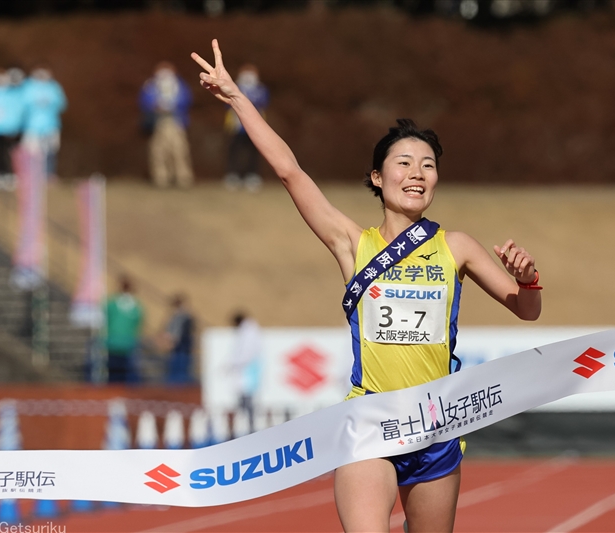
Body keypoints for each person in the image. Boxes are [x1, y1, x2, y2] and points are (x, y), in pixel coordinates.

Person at [192, 39, 542, 533]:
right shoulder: (352, 244)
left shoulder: (456, 246)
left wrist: (529, 282)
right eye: (403, 163)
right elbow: (290, 171)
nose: (417, 173)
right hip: (369, 420)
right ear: (377, 177)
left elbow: (526, 310)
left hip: (436, 426)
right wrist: (235, 97)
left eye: (428, 164)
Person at [139, 62, 194, 188]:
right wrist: (156, 106)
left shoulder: (179, 85)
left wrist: (173, 106)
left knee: (179, 150)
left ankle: (183, 178)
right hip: (158, 122)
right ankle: (161, 179)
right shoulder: (151, 85)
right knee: (158, 152)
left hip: (176, 121)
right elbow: (144, 101)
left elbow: (187, 99)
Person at [223, 64, 269, 192]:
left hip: (255, 126)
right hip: (236, 125)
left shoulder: (260, 89)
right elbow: (227, 103)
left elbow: (263, 102)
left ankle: (252, 176)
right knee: (234, 150)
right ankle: (233, 175)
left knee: (254, 152)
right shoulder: (234, 87)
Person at [21, 64, 67, 180]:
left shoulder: (54, 87)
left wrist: (49, 104)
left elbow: (62, 104)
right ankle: (31, 176)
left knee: (50, 151)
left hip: (51, 125)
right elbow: (21, 105)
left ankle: (49, 174)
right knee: (32, 152)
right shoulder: (27, 87)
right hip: (32, 126)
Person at [0, 67, 25, 190]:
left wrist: (14, 126)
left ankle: (10, 174)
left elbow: (16, 111)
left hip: (8, 130)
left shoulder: (12, 95)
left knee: (9, 153)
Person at [104, 275, 145, 383]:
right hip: (129, 343)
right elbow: (139, 323)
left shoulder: (112, 303)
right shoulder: (136, 306)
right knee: (128, 375)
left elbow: (104, 318)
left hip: (113, 342)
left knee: (113, 375)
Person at [228, 311, 263, 430]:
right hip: (247, 371)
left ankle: (251, 428)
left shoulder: (248, 333)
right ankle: (250, 426)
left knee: (248, 402)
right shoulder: (249, 331)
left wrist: (235, 364)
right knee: (245, 401)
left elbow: (246, 353)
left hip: (247, 371)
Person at [162, 293, 195, 385]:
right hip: (177, 344)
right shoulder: (175, 315)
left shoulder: (185, 315)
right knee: (175, 364)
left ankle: (181, 382)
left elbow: (183, 329)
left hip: (182, 343)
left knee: (182, 363)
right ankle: (176, 382)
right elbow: (170, 328)